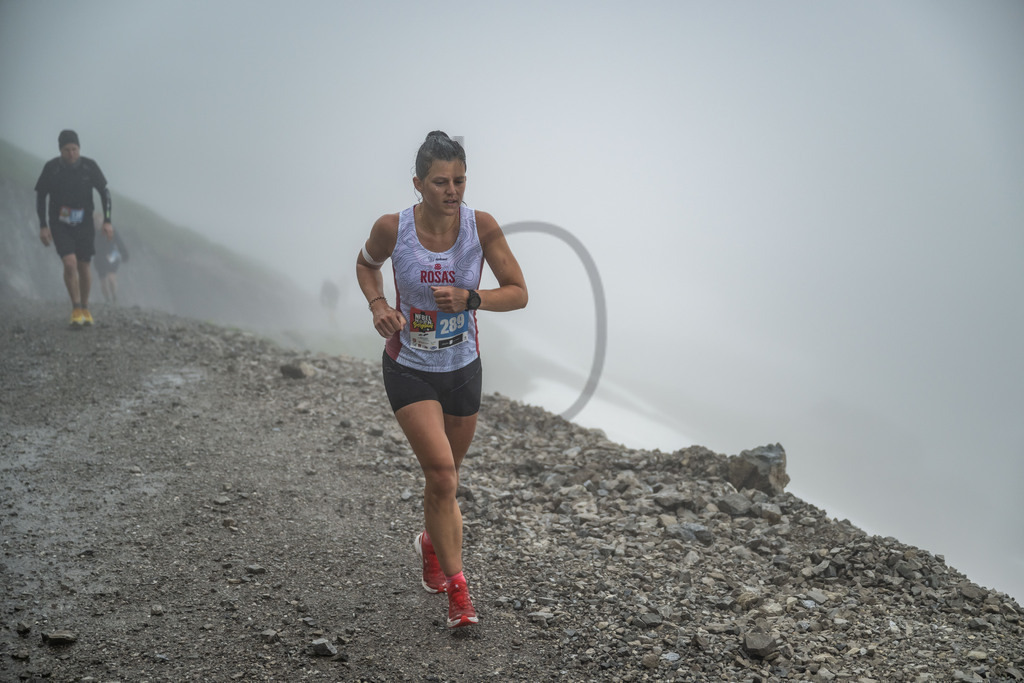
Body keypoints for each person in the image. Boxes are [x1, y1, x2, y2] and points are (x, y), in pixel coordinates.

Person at [356, 131, 528, 628]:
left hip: (462, 368)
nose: (452, 191)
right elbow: (366, 265)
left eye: (459, 180)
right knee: (442, 475)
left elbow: (518, 292)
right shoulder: (393, 228)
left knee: (446, 481)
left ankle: (431, 542)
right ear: (417, 183)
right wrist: (379, 304)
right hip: (409, 367)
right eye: (440, 182)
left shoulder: (482, 226)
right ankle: (459, 594)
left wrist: (472, 299)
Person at [34, 129, 114, 326]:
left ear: (79, 148)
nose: (71, 154)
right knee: (70, 263)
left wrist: (107, 220)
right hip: (60, 224)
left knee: (84, 266)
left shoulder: (89, 166)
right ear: (60, 150)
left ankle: (85, 307)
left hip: (84, 223)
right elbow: (41, 196)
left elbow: (105, 193)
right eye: (67, 150)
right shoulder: (51, 168)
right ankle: (76, 308)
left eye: (75, 149)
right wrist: (43, 225)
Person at [92, 212, 130, 304]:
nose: (98, 223)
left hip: (112, 256)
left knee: (111, 278)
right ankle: (107, 300)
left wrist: (124, 254)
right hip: (99, 259)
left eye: (99, 221)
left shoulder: (110, 230)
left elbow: (119, 242)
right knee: (103, 282)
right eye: (96, 222)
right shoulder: (91, 232)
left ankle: (114, 297)